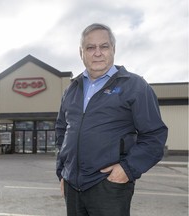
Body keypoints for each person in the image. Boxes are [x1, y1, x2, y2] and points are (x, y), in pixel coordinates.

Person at [55, 23, 168, 216]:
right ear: (81, 52)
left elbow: (154, 136)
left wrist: (127, 169)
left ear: (113, 49)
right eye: (90, 47)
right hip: (73, 187)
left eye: (104, 46)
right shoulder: (71, 90)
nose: (97, 53)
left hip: (109, 186)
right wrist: (63, 172)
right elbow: (62, 132)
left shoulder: (135, 86)